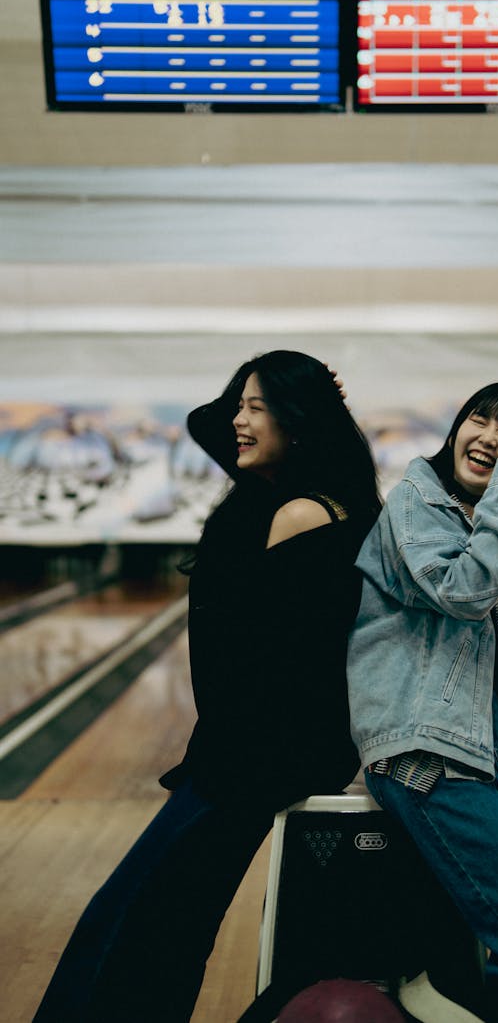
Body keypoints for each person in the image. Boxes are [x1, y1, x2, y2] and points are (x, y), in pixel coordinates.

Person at [33, 350, 381, 1023]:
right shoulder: (279, 496)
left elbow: (281, 665)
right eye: (240, 404)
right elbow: (210, 426)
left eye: (256, 407)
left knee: (142, 919)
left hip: (252, 760)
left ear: (298, 421)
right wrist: (288, 399)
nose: (237, 421)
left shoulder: (304, 513)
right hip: (237, 753)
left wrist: (230, 760)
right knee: (158, 920)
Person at [347, 382, 498, 1023]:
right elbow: (463, 591)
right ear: (455, 429)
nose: (487, 437)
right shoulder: (415, 503)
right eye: (477, 421)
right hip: (431, 751)